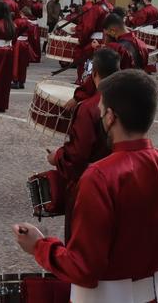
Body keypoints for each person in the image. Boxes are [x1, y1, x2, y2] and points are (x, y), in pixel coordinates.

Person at [13, 70, 158, 300]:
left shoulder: (98, 177)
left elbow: (83, 267)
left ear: (110, 117)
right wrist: (150, 265)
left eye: (101, 111)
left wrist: (39, 245)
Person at [48, 48, 117, 240]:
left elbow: (77, 156)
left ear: (94, 73)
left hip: (92, 184)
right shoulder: (128, 101)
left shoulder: (88, 109)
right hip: (122, 177)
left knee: (84, 241)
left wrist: (58, 157)